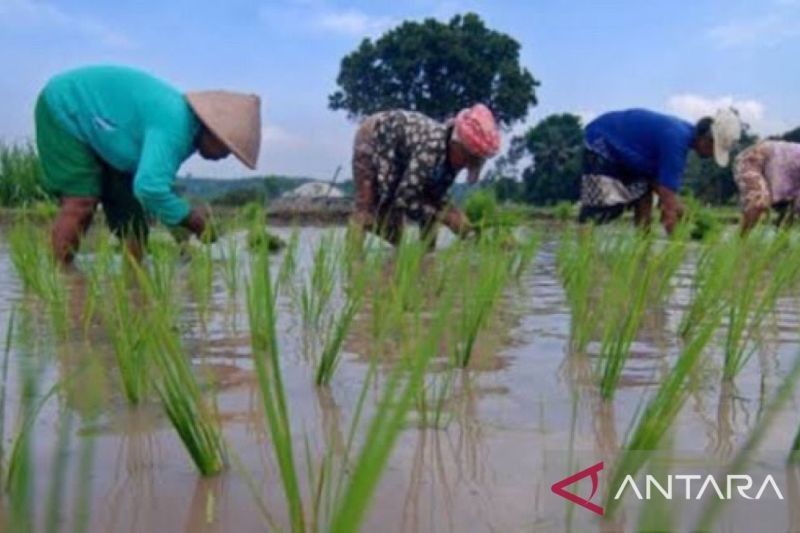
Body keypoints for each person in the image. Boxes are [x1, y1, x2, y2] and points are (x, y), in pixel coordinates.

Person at [35, 65, 261, 265]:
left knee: (133, 223)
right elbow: (149, 188)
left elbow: (155, 188)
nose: (224, 156)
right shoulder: (176, 125)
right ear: (212, 131)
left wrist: (182, 239)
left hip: (111, 141)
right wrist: (194, 220)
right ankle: (59, 284)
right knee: (81, 201)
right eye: (227, 148)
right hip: (67, 108)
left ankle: (134, 283)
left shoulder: (187, 132)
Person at [351, 104, 501, 246]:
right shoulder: (431, 149)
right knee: (366, 208)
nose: (466, 165)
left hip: (402, 154)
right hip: (375, 135)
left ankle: (424, 259)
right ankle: (354, 261)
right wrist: (445, 217)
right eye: (468, 158)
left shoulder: (451, 162)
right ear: (457, 145)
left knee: (409, 225)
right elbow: (405, 198)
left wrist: (466, 229)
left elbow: (434, 199)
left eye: (474, 161)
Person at [578, 108, 741, 234]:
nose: (712, 155)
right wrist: (678, 248)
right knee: (598, 209)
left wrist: (688, 215)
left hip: (633, 157)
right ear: (706, 140)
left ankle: (642, 249)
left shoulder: (681, 135)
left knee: (643, 192)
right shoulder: (676, 141)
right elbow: (668, 211)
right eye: (714, 150)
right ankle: (582, 255)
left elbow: (663, 190)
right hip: (603, 140)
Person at [733, 140, 800, 233]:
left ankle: (781, 242)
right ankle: (740, 241)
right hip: (757, 158)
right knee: (759, 202)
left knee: (788, 211)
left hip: (778, 169)